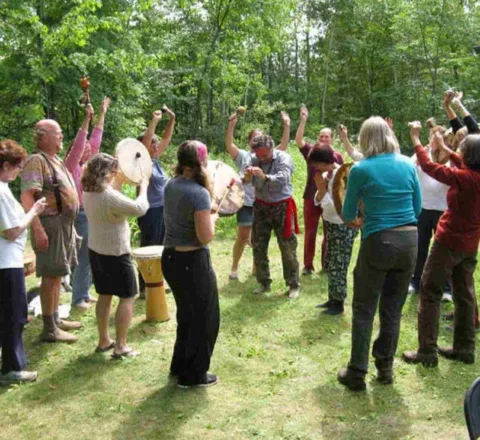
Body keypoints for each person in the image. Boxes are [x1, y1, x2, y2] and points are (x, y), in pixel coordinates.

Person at [337, 116, 421, 391]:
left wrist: (360, 218)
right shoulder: (408, 164)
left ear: (365, 139)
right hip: (409, 240)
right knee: (392, 308)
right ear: (389, 136)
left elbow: (348, 213)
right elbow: (417, 208)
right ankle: (385, 368)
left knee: (363, 308)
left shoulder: (361, 169)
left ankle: (357, 372)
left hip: (378, 240)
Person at [403, 124, 480, 367]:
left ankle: (426, 352)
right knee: (465, 294)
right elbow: (459, 160)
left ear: (470, 156)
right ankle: (464, 349)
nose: (459, 153)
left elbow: (429, 167)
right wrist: (444, 145)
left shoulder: (463, 178)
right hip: (470, 245)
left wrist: (416, 140)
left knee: (430, 290)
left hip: (448, 242)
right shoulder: (473, 173)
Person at [162, 140, 220, 388]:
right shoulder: (198, 193)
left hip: (171, 259)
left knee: (186, 315)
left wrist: (207, 212)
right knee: (205, 319)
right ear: (201, 163)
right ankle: (193, 375)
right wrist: (213, 218)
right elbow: (205, 236)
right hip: (191, 261)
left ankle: (180, 366)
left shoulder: (171, 184)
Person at [21, 119, 81, 343]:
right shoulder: (36, 160)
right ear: (43, 136)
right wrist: (37, 229)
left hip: (63, 224)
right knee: (50, 275)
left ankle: (55, 318)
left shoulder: (53, 159)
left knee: (57, 274)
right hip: (49, 224)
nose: (62, 137)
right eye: (58, 133)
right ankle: (49, 329)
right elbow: (27, 196)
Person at [82, 153, 148, 357]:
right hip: (116, 253)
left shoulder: (89, 191)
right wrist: (143, 187)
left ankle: (104, 341)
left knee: (104, 294)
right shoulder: (108, 196)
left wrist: (117, 180)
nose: (116, 174)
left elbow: (112, 198)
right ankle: (120, 346)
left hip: (97, 250)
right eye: (113, 171)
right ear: (105, 173)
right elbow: (139, 208)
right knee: (128, 297)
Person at [0, 140, 46, 384]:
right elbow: (12, 231)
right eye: (17, 167)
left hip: (7, 260)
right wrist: (34, 212)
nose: (19, 172)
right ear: (6, 165)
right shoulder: (0, 192)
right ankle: (11, 367)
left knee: (8, 312)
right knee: (14, 314)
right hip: (6, 263)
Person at [225, 110, 291, 280]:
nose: (258, 142)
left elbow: (283, 147)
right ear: (250, 143)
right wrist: (231, 125)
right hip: (247, 202)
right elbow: (229, 145)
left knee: (259, 239)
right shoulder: (245, 156)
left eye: (260, 138)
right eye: (254, 139)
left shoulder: (272, 155)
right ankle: (235, 268)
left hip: (268, 202)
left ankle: (258, 271)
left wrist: (287, 125)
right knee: (243, 236)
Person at [65, 97, 110, 309]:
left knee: (91, 254)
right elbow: (82, 142)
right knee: (84, 256)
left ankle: (83, 291)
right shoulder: (70, 165)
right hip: (80, 214)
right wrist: (86, 119)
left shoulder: (85, 165)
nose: (86, 150)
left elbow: (95, 141)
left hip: (88, 212)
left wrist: (101, 113)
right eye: (81, 148)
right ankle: (78, 298)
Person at [244, 135, 300, 299]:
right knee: (258, 245)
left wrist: (264, 176)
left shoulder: (284, 158)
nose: (261, 157)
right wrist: (247, 177)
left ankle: (293, 284)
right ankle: (263, 282)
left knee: (288, 247)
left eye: (264, 154)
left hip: (282, 206)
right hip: (261, 205)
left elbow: (284, 179)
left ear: (272, 148)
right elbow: (249, 181)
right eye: (258, 154)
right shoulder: (253, 158)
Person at [295, 105, 344, 275]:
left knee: (329, 232)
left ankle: (327, 264)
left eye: (327, 136)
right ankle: (308, 266)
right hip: (311, 196)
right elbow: (299, 140)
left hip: (329, 200)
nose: (324, 138)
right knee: (310, 232)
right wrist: (303, 120)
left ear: (332, 139)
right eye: (321, 136)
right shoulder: (312, 151)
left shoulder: (337, 156)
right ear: (318, 138)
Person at [311, 147, 358, 315]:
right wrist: (321, 190)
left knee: (339, 264)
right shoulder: (325, 176)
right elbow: (318, 201)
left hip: (343, 225)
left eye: (317, 163)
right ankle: (332, 298)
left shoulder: (344, 175)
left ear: (325, 162)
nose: (316, 167)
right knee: (331, 261)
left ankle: (338, 303)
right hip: (330, 223)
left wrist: (323, 192)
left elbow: (341, 204)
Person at [408, 123, 452, 299]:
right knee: (420, 247)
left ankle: (446, 288)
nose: (433, 141)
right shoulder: (420, 155)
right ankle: (416, 281)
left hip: (443, 209)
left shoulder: (450, 158)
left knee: (443, 249)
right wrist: (416, 161)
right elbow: (408, 170)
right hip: (423, 208)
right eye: (431, 137)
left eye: (437, 138)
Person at [137, 107, 175, 297]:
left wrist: (172, 120)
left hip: (162, 209)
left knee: (161, 245)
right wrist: (154, 121)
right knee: (148, 246)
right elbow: (144, 145)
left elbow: (166, 139)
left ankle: (157, 280)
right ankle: (144, 285)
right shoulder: (141, 161)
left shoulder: (156, 159)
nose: (156, 145)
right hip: (149, 210)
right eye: (154, 143)